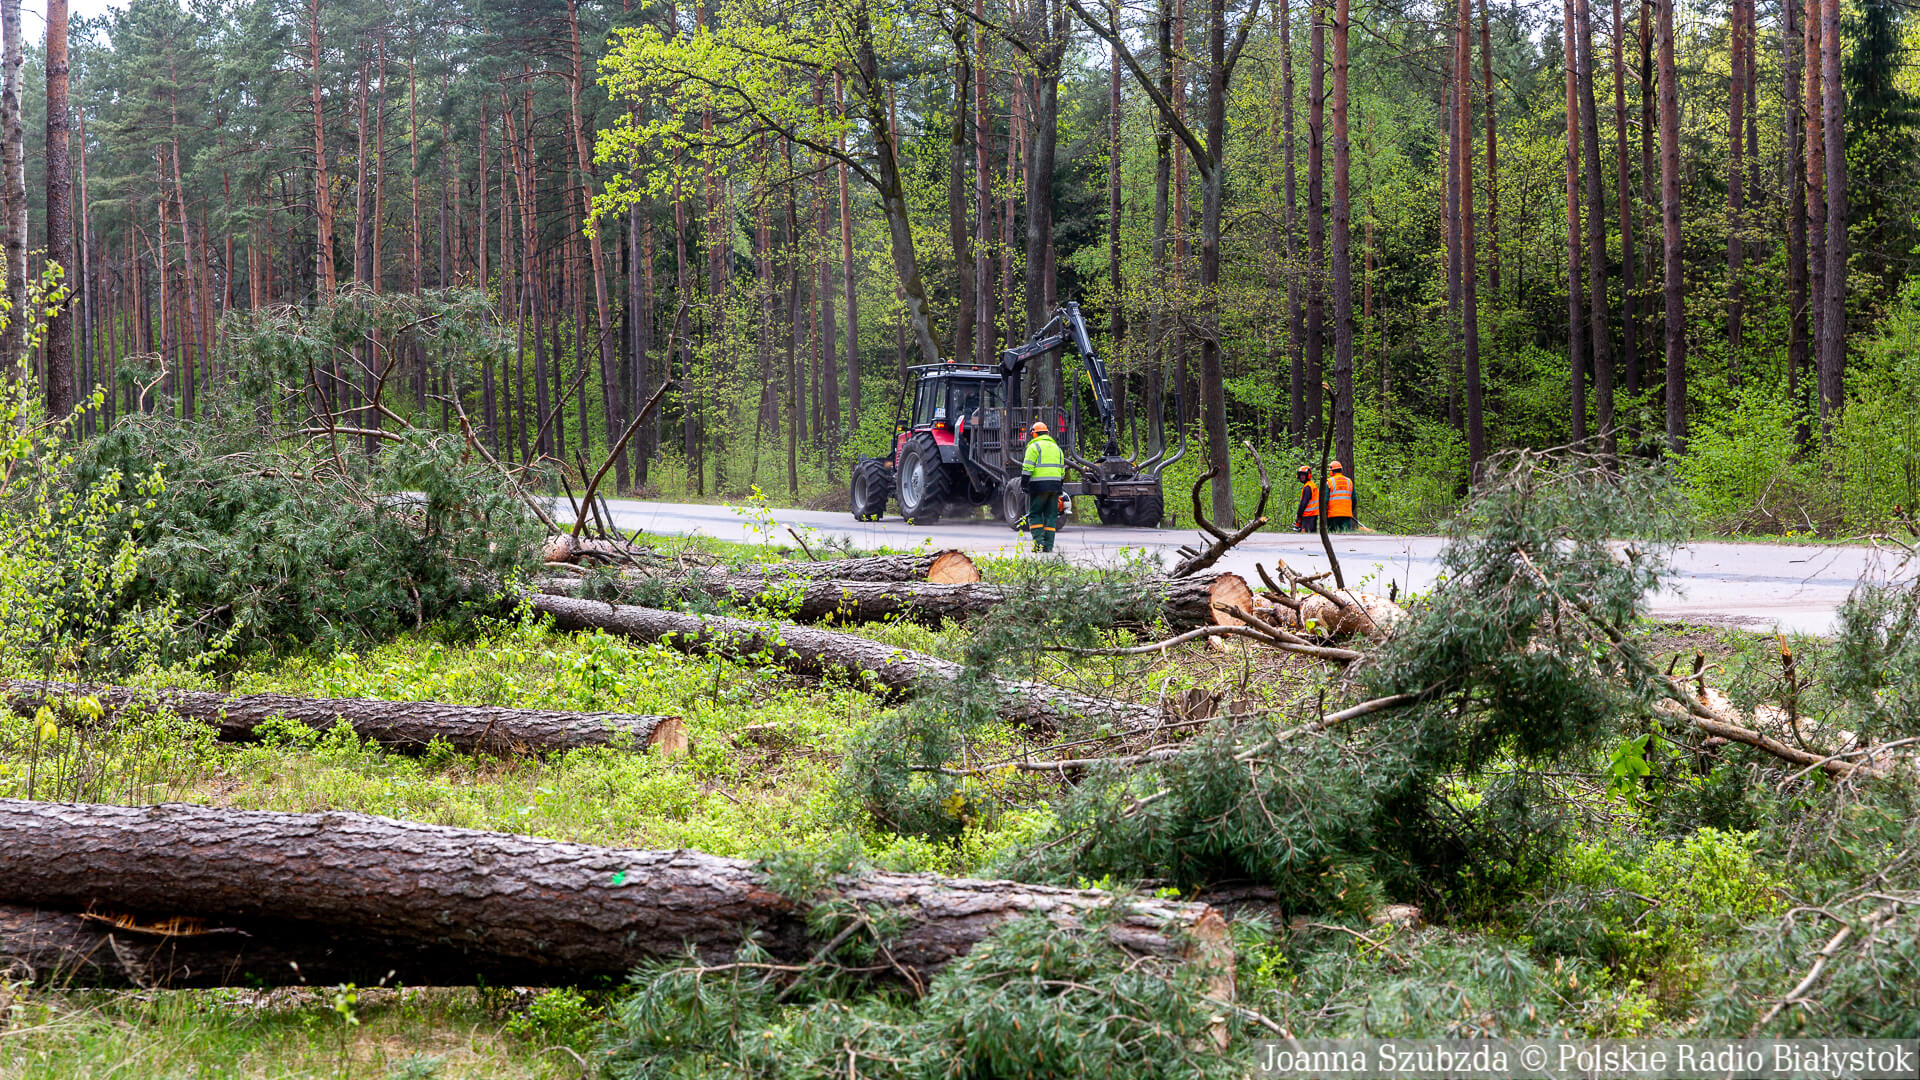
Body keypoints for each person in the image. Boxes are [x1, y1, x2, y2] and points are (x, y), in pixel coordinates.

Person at [1021, 421, 1066, 552]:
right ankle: (1049, 546)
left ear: (1034, 434)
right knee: (1051, 516)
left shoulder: (1034, 447)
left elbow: (1027, 467)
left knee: (1034, 514)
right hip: (1055, 486)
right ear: (1047, 433)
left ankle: (1039, 544)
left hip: (1039, 487)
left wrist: (1024, 484)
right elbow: (1062, 471)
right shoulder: (1057, 448)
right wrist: (1059, 487)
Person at [1324, 460, 1358, 532]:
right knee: (1346, 537)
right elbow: (1354, 499)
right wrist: (1350, 510)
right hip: (1346, 515)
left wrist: (1325, 513)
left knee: (1332, 536)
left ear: (1331, 471)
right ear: (1341, 470)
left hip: (1333, 515)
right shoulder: (1349, 481)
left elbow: (1325, 500)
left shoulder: (1329, 482)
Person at [1293, 465, 1321, 532]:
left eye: (1303, 475)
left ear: (1308, 475)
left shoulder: (1308, 487)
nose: (1302, 477)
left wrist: (1298, 515)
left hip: (1308, 516)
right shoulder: (1312, 485)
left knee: (1306, 535)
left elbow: (1303, 503)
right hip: (1313, 515)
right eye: (1300, 475)